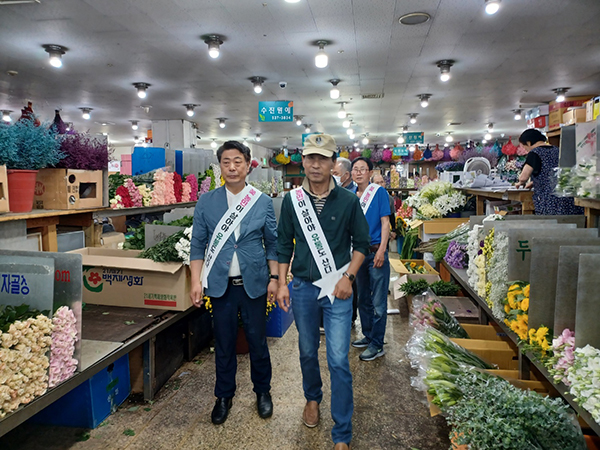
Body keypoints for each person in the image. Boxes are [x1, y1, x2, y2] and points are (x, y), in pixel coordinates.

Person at [276, 134, 370, 450]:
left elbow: (362, 245)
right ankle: (312, 398)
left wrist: (349, 277)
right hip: (302, 287)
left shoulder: (348, 201)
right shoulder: (292, 201)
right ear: (303, 161)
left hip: (338, 289)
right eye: (310, 158)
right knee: (305, 350)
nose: (315, 164)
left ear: (333, 164)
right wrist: (280, 282)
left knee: (338, 359)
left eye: (323, 158)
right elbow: (282, 243)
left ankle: (342, 432)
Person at [189, 141, 279, 425]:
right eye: (226, 161)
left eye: (237, 161)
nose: (232, 167)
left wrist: (275, 278)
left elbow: (273, 245)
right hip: (220, 287)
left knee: (257, 343)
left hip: (254, 284)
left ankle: (263, 391)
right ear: (220, 166)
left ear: (248, 163)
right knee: (224, 344)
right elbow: (197, 245)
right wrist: (195, 281)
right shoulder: (207, 201)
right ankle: (223, 396)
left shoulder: (261, 201)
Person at [350, 157, 391, 361]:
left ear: (370, 172)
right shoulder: (349, 196)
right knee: (362, 298)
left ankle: (377, 343)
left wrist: (383, 250)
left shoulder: (379, 192)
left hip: (376, 252)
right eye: (355, 169)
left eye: (362, 169)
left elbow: (385, 223)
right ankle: (368, 336)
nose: (358, 173)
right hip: (358, 254)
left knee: (378, 301)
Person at [515, 129, 584, 215]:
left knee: (551, 225)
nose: (526, 150)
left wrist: (520, 183)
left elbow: (523, 177)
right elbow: (552, 173)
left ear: (528, 143)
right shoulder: (557, 150)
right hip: (566, 196)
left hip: (549, 200)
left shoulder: (534, 153)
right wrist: (534, 182)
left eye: (524, 147)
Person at [333, 156, 359, 326]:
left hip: (352, 247)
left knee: (352, 282)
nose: (332, 176)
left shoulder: (354, 195)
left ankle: (350, 318)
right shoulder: (332, 192)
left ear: (346, 175)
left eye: (335, 173)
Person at [372, 172, 396, 241]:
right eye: (377, 183)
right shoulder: (369, 199)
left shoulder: (389, 198)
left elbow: (392, 215)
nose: (380, 185)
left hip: (384, 233)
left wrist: (394, 230)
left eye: (382, 182)